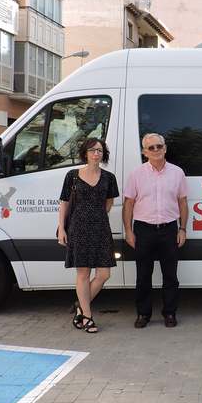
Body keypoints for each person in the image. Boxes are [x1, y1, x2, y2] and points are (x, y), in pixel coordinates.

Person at [123, 133, 188, 328]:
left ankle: (170, 313)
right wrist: (128, 230)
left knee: (170, 276)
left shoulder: (177, 173)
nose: (156, 150)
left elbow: (183, 202)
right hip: (143, 230)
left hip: (169, 229)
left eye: (159, 146)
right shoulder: (136, 174)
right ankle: (143, 314)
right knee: (143, 276)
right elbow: (128, 204)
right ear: (145, 152)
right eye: (151, 148)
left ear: (165, 148)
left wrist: (182, 228)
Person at [57, 137, 119, 334]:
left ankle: (80, 309)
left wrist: (97, 216)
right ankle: (88, 317)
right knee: (83, 274)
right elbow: (64, 203)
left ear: (103, 154)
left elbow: (109, 203)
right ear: (85, 153)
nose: (96, 154)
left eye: (100, 150)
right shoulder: (72, 176)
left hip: (101, 229)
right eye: (92, 150)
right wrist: (62, 228)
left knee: (104, 274)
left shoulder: (109, 177)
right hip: (78, 229)